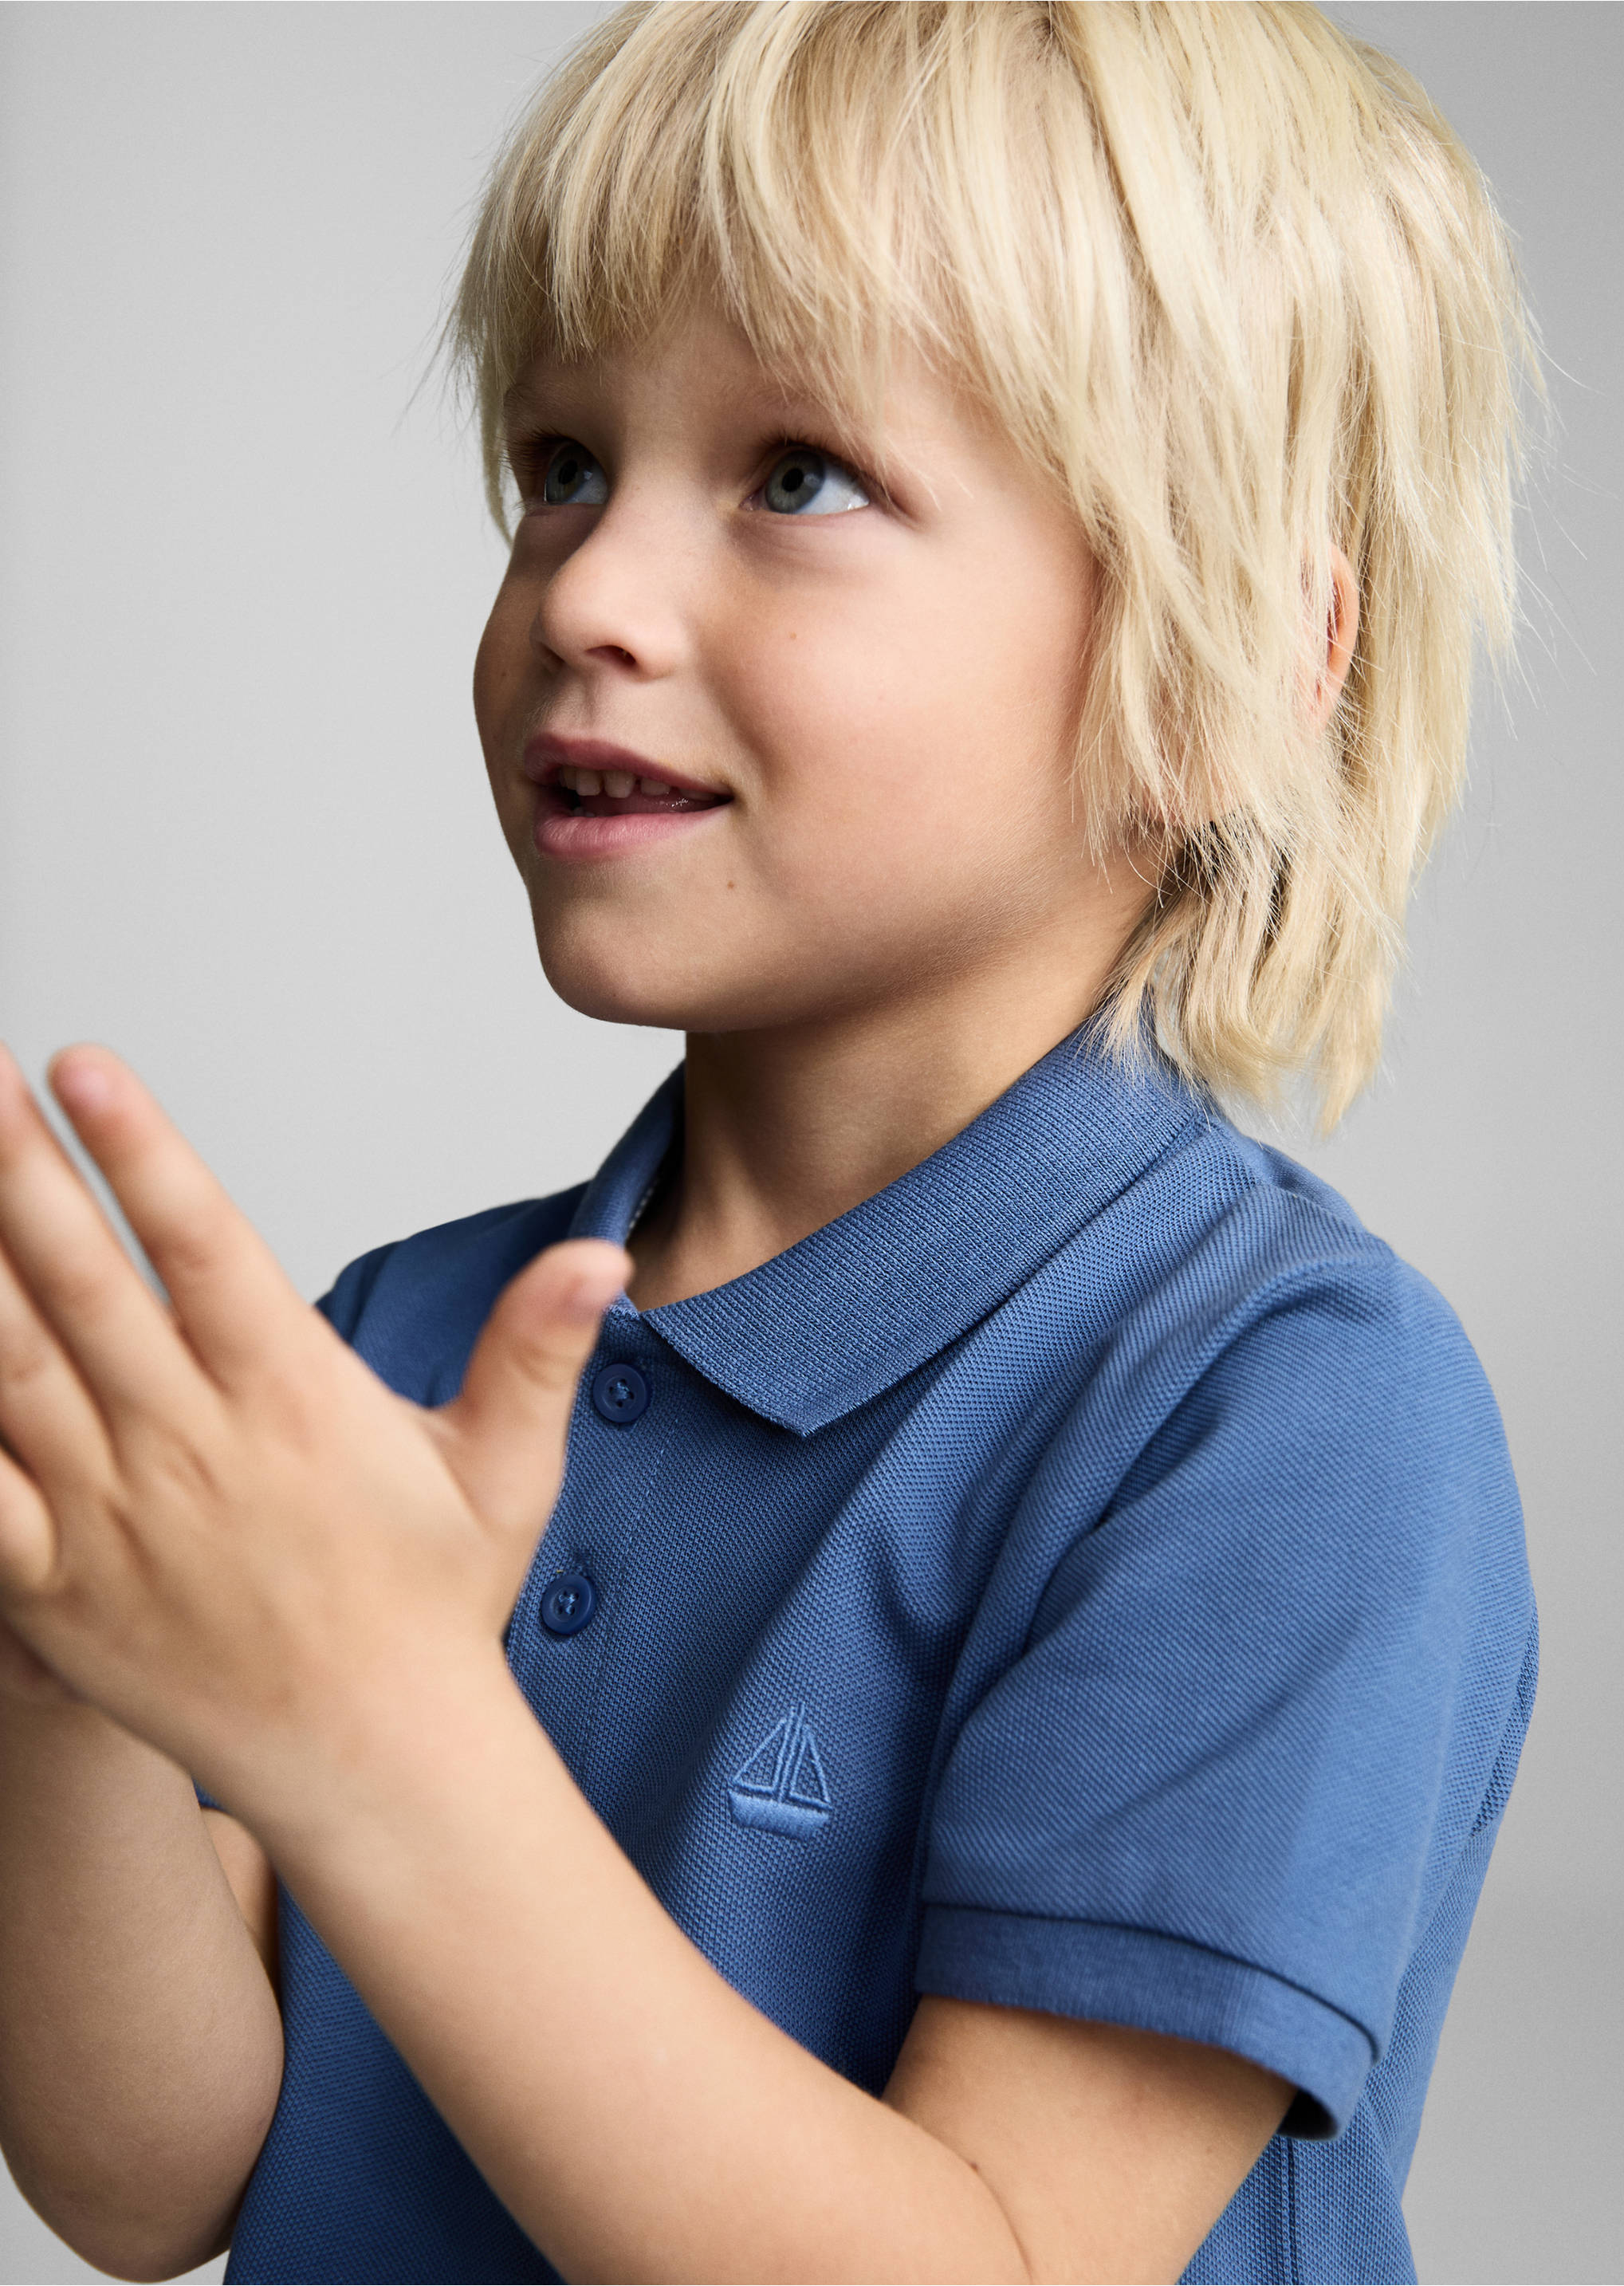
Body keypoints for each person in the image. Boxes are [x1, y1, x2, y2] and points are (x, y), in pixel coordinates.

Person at [0, 4, 1539, 2280]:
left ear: (1224, 671)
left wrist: (379, 1723)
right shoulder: (407, 1341)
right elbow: (156, 2175)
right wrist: (68, 1682)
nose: (589, 597)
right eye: (559, 465)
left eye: (798, 472)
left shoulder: (1287, 1410)